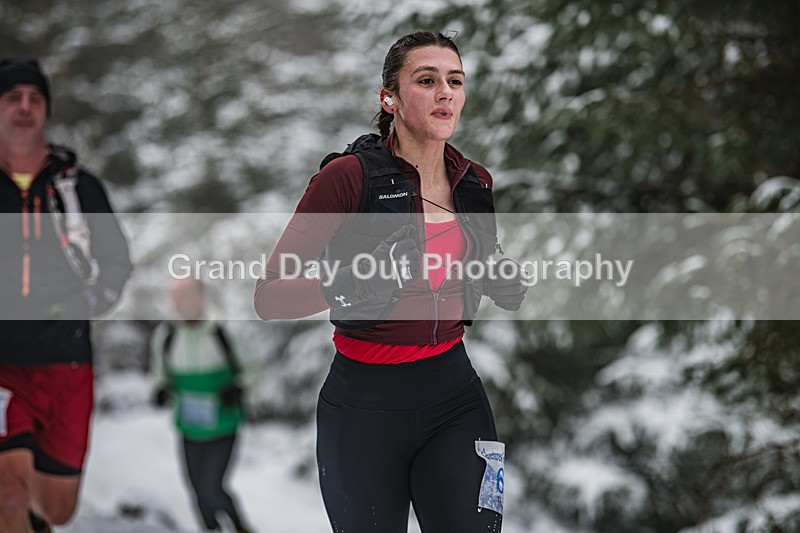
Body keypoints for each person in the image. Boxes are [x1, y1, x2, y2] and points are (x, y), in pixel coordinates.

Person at [254, 31, 528, 532]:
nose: (446, 92)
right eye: (427, 80)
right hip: (363, 409)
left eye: (455, 81)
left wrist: (496, 276)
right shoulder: (347, 178)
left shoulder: (475, 182)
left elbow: (472, 260)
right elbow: (268, 296)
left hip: (456, 397)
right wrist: (350, 287)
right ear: (390, 98)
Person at [0, 58, 133, 533]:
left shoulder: (76, 187)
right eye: (12, 97)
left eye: (34, 98)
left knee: (55, 508)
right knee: (9, 497)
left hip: (67, 363)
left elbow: (116, 259)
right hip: (5, 365)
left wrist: (91, 304)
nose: (24, 107)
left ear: (46, 112)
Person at [150, 277, 253, 533]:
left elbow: (252, 370)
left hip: (223, 424)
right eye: (175, 297)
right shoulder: (167, 335)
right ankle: (211, 529)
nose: (179, 302)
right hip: (189, 424)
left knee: (212, 487)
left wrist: (237, 388)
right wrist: (161, 390)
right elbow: (160, 373)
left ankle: (240, 527)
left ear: (201, 298)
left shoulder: (223, 332)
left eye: (185, 296)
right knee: (195, 489)